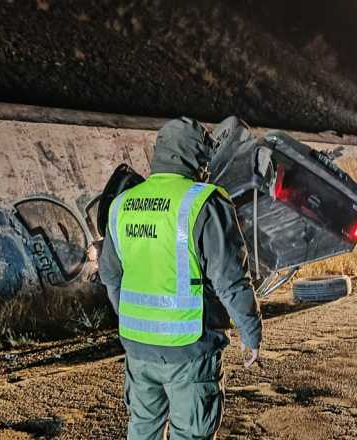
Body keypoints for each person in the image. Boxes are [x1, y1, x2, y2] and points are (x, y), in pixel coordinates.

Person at [99, 117, 263, 440]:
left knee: (141, 431)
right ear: (197, 157)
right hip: (189, 348)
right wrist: (251, 331)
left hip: (138, 349)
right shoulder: (204, 202)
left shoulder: (122, 205)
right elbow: (230, 278)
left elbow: (110, 274)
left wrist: (134, 318)